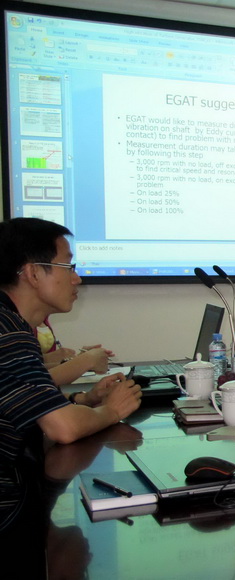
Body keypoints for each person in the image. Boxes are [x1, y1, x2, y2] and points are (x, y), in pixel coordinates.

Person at [0, 217, 141, 561]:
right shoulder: (9, 333)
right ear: (33, 273)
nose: (77, 278)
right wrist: (111, 411)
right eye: (69, 266)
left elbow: (25, 408)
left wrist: (85, 400)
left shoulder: (11, 324)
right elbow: (62, 429)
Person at [36, 316, 116, 385]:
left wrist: (78, 359)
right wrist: (87, 359)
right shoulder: (29, 323)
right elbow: (35, 374)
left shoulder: (44, 319)